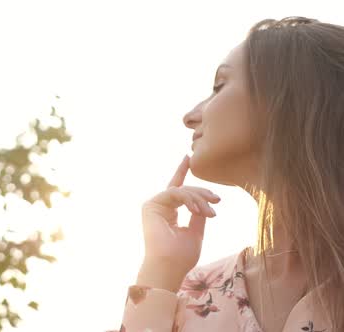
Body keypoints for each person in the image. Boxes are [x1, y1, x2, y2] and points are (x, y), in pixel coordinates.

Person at [113, 16, 344, 332]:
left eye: (219, 86)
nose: (190, 117)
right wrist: (160, 271)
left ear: (286, 99)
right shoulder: (194, 292)